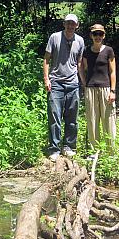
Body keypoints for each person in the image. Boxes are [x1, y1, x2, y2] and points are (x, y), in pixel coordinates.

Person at [43, 14, 85, 162]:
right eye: (68, 23)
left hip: (73, 84)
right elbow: (47, 59)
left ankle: (68, 146)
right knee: (54, 117)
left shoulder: (80, 40)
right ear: (64, 24)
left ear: (77, 25)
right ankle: (54, 148)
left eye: (73, 24)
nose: (70, 26)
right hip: (55, 84)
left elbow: (79, 64)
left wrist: (83, 82)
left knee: (72, 118)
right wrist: (46, 78)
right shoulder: (54, 37)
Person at [81, 24, 116, 153]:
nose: (98, 37)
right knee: (92, 121)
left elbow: (113, 72)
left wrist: (112, 91)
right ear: (91, 35)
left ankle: (110, 151)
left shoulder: (109, 50)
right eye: (95, 34)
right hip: (90, 89)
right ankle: (93, 151)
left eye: (100, 34)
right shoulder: (86, 51)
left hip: (106, 89)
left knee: (108, 121)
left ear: (104, 35)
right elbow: (81, 67)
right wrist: (84, 82)